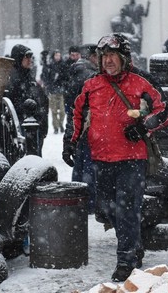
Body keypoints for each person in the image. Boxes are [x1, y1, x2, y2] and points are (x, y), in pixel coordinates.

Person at [63, 33, 168, 282]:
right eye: (104, 57)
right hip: (101, 158)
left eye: (113, 56)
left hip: (132, 159)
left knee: (127, 208)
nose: (108, 61)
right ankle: (134, 244)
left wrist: (143, 126)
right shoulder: (91, 84)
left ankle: (126, 259)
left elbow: (163, 110)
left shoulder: (141, 81)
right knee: (106, 209)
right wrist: (71, 142)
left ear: (123, 58)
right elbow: (77, 114)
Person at [63, 44, 99, 213]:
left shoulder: (74, 73)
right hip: (91, 128)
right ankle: (89, 204)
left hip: (80, 129)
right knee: (90, 170)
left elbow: (71, 111)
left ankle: (79, 202)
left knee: (80, 169)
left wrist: (69, 139)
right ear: (93, 56)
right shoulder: (91, 76)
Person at [5, 44, 48, 154]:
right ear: (19, 59)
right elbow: (13, 104)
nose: (30, 60)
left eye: (31, 57)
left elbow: (40, 99)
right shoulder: (14, 78)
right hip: (25, 128)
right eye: (26, 57)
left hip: (33, 127)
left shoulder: (27, 75)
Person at [45, 50, 66, 134]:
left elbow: (66, 77)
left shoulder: (63, 65)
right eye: (56, 55)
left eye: (59, 55)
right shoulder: (50, 66)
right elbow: (47, 78)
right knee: (54, 111)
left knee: (62, 111)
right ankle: (56, 127)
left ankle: (60, 125)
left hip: (61, 91)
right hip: (53, 91)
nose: (57, 57)